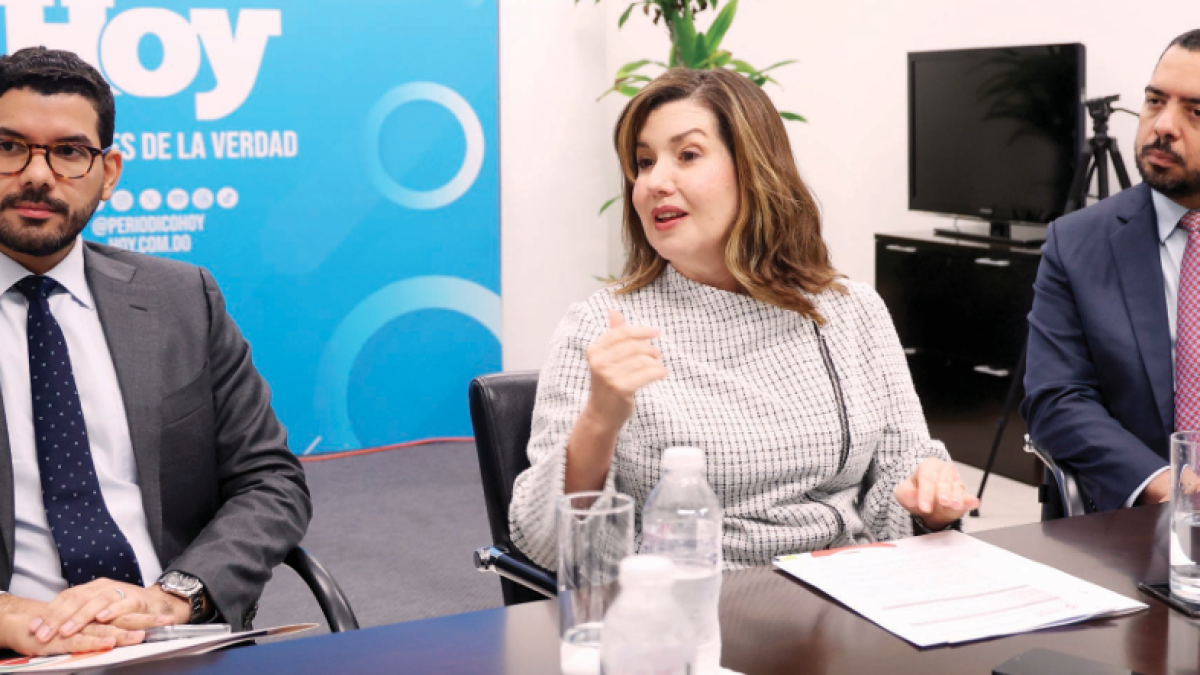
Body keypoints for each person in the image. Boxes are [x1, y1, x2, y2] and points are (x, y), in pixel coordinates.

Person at [508, 68, 977, 571]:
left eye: (687, 155)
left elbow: (899, 477)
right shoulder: (602, 326)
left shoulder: (850, 310)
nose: (654, 183)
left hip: (849, 598)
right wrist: (600, 419)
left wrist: (929, 501)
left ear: (754, 168)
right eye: (644, 163)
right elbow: (544, 542)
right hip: (692, 611)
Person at [0, 47, 311, 656]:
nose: (38, 174)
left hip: (169, 639)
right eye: (9, 146)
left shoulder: (183, 299)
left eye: (69, 151)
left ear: (108, 173)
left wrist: (173, 596)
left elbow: (270, 480)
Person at [1022, 30, 1200, 514]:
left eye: (1195, 112)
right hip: (1137, 521)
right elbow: (1055, 397)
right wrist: (1170, 486)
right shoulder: (1077, 242)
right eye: (1154, 101)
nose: (1163, 126)